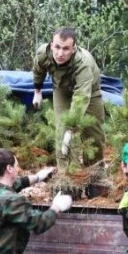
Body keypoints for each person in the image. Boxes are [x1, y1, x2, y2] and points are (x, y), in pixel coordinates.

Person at [32, 27, 105, 167]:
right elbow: (38, 70)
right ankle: (68, 179)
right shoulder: (43, 53)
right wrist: (37, 92)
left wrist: (71, 128)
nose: (60, 53)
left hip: (89, 92)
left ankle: (95, 177)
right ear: (51, 45)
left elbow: (81, 97)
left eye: (66, 49)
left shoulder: (83, 63)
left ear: (73, 48)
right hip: (62, 90)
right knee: (62, 133)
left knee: (93, 135)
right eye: (57, 47)